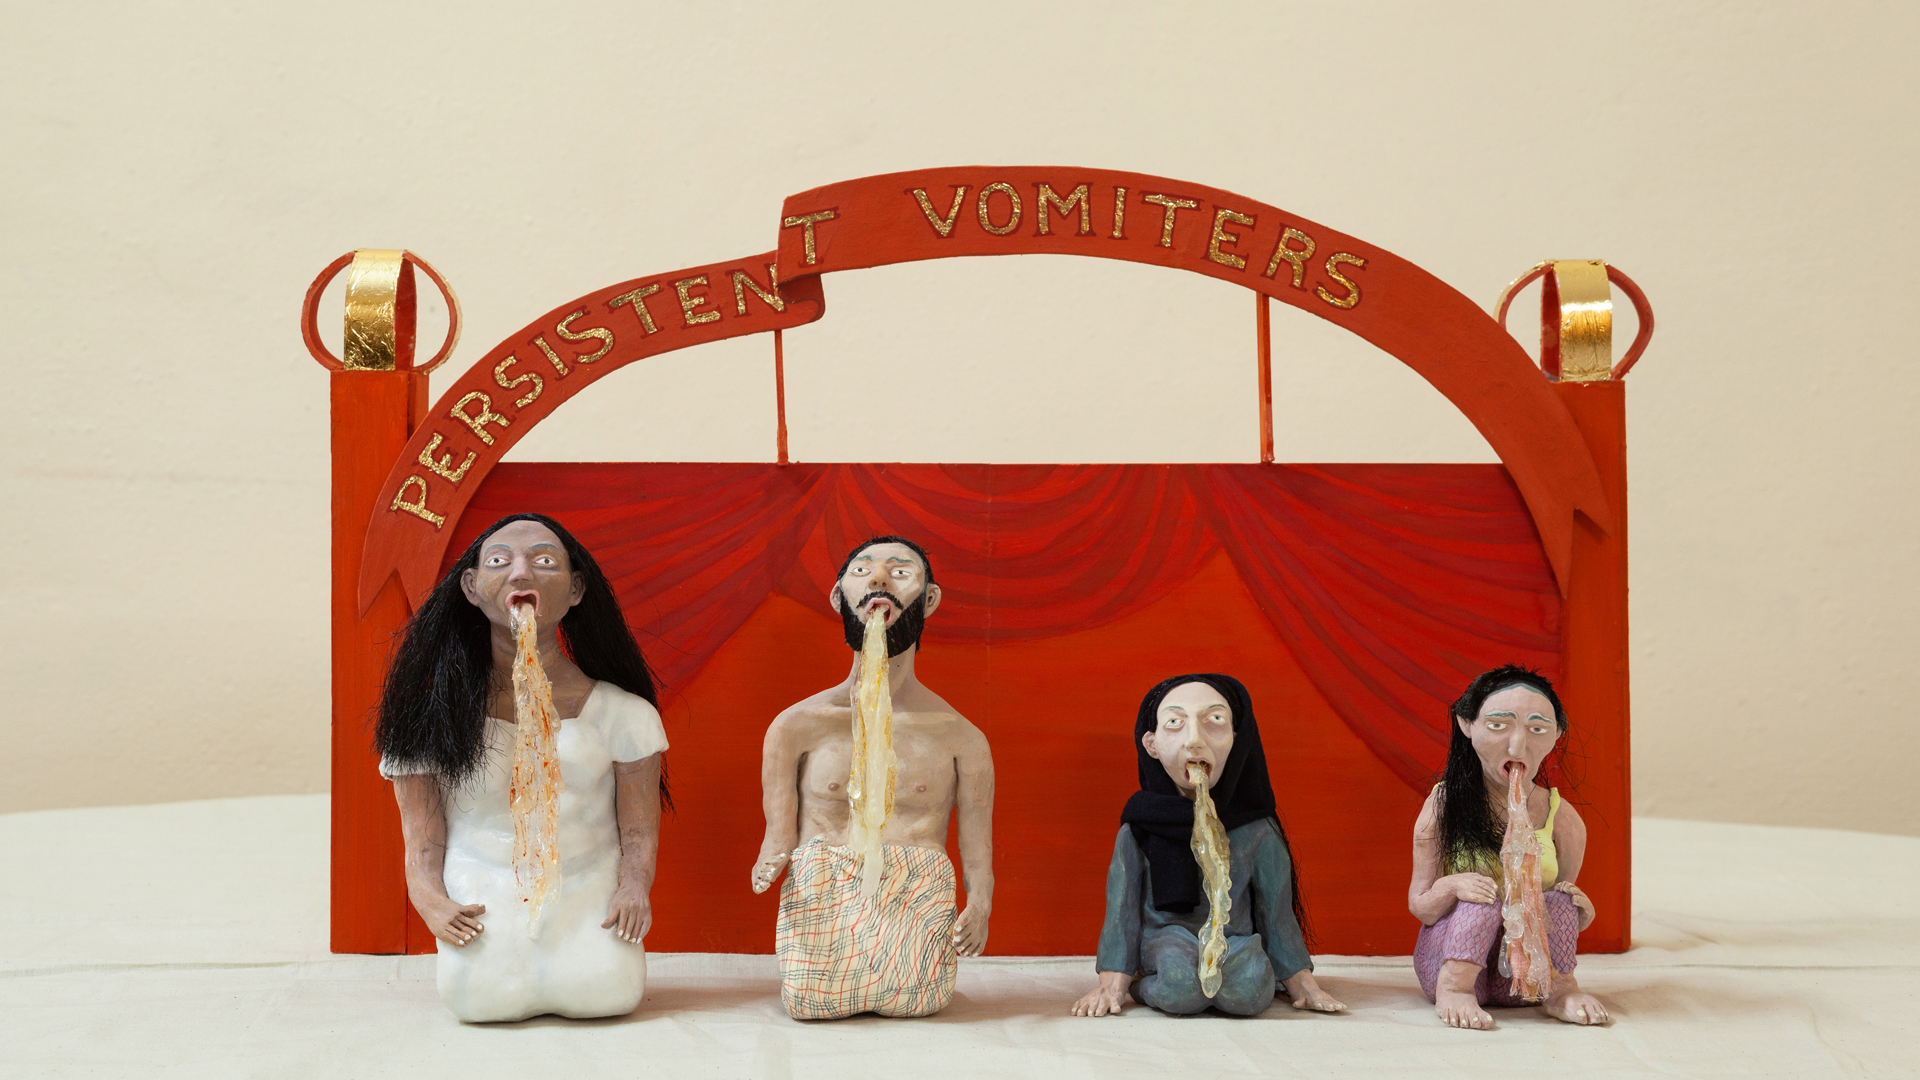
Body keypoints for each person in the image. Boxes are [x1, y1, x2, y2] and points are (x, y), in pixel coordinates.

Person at [376, 513, 668, 1023]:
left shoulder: (625, 716)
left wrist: (633, 887)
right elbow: (421, 836)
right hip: (480, 895)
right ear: (471, 587)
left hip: (589, 893)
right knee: (480, 998)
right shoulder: (429, 717)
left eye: (544, 561)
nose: (520, 573)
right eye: (499, 561)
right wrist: (431, 900)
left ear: (576, 589)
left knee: (609, 990)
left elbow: (639, 829)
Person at [751, 536, 994, 1019]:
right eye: (862, 571)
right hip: (822, 907)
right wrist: (769, 859)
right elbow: (777, 835)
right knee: (810, 1001)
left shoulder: (961, 738)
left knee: (921, 1001)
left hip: (916, 907)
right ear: (838, 596)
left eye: (900, 572)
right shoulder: (795, 727)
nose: (879, 579)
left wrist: (981, 903)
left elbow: (977, 845)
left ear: (929, 599)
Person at [1072, 674, 1346, 1017]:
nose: (1194, 740)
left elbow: (1277, 913)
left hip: (1235, 941)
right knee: (1178, 983)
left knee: (1251, 992)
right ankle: (1144, 984)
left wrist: (1304, 985)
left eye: (1214, 720)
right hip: (1167, 940)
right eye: (1175, 723)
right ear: (1152, 744)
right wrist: (1113, 985)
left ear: (1237, 739)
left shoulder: (1257, 829)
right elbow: (1120, 910)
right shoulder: (1140, 828)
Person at [1407, 664, 1609, 1029]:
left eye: (1537, 730)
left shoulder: (1563, 819)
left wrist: (1581, 913)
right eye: (1498, 726)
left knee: (1559, 900)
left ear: (1557, 735)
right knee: (1482, 900)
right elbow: (1421, 907)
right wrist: (1453, 885)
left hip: (1525, 979)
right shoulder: (1444, 805)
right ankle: (1456, 990)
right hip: (1449, 961)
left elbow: (1556, 908)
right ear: (1467, 724)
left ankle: (1561, 991)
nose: (1518, 747)